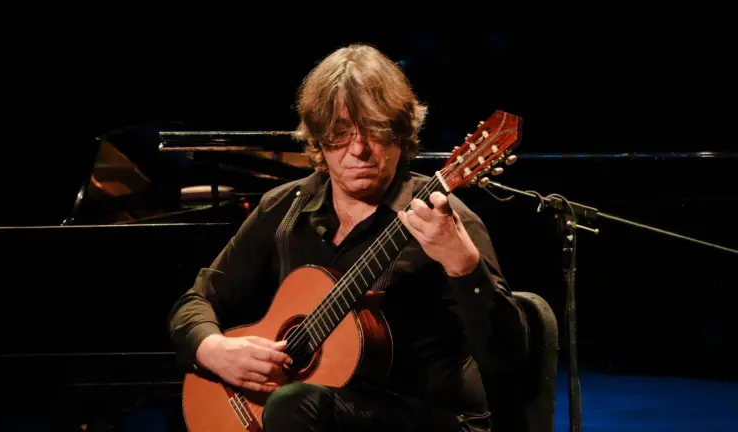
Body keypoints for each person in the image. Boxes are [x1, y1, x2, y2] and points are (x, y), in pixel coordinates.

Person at [168, 43, 530, 431]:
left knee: (295, 403)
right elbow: (196, 301)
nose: (359, 150)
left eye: (374, 130)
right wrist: (213, 349)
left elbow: (508, 359)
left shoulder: (447, 221)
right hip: (316, 411)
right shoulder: (285, 208)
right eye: (340, 133)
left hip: (428, 417)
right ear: (319, 140)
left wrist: (463, 265)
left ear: (402, 134)